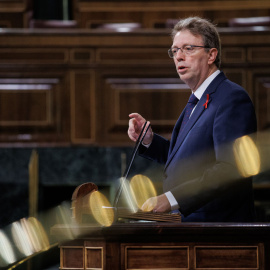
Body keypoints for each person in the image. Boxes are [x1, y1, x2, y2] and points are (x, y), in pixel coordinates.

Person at [128, 17, 257, 222]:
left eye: (188, 48)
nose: (179, 57)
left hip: (219, 231)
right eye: (175, 50)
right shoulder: (198, 100)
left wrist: (172, 198)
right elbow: (188, 161)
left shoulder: (231, 98)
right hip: (191, 228)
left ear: (211, 55)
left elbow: (231, 168)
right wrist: (149, 140)